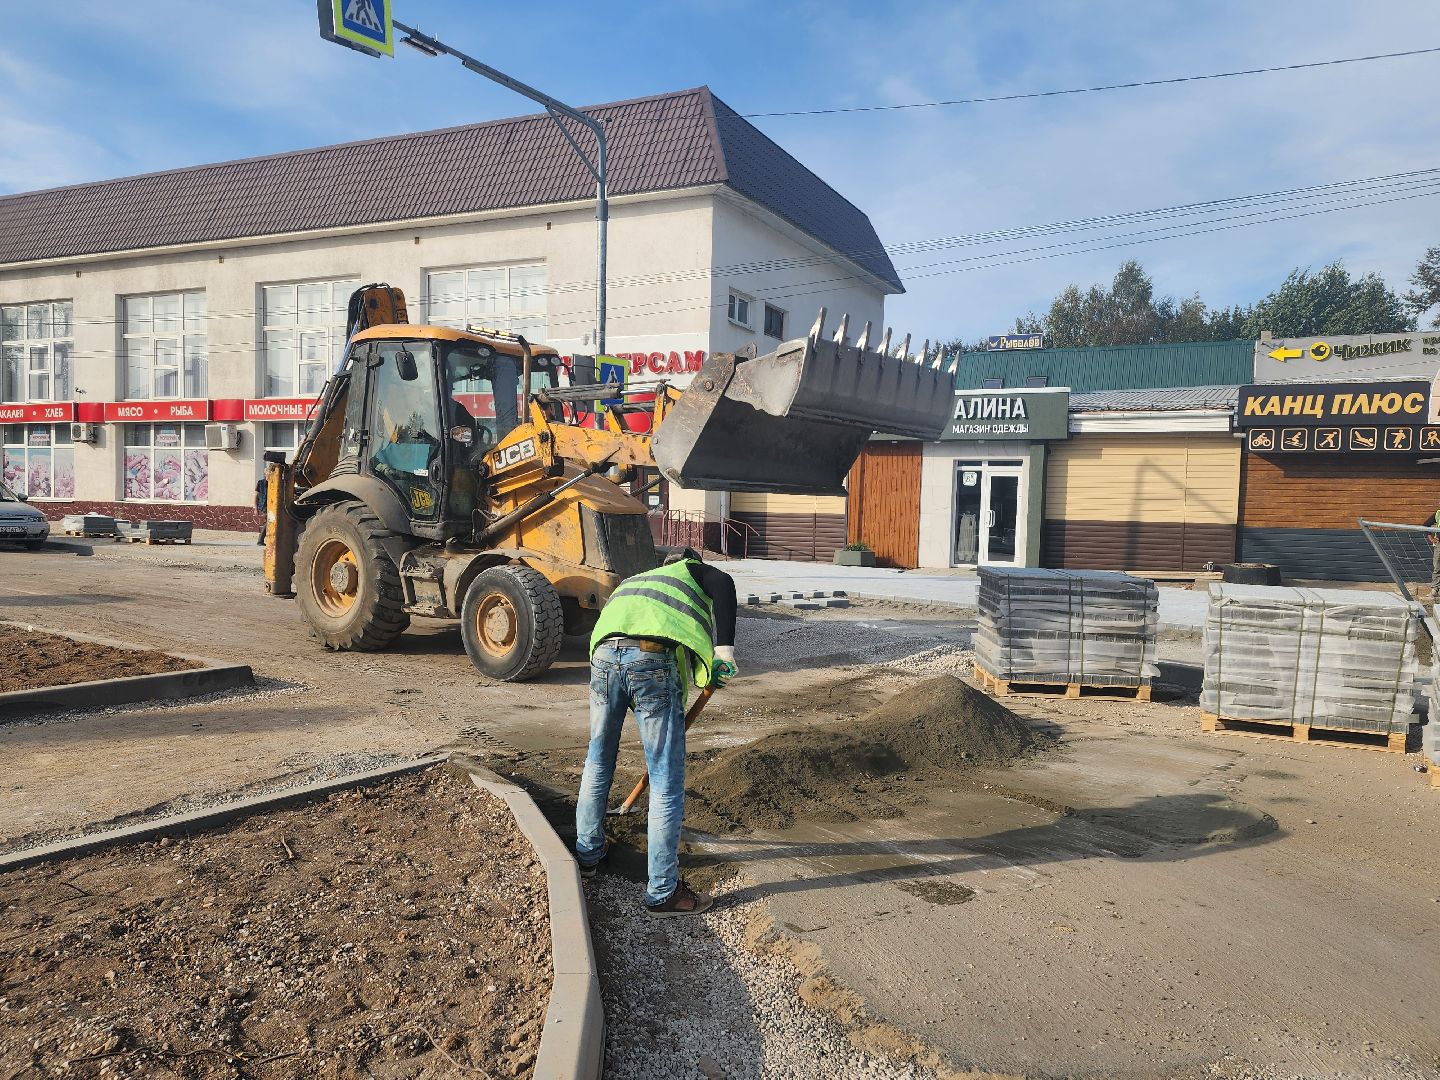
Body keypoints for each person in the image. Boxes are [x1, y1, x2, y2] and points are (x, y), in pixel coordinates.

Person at [575, 548, 738, 916]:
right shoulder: (692, 571)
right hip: (649, 656)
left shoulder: (637, 583)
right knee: (665, 779)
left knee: (598, 759)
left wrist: (704, 673)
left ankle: (587, 856)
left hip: (604, 656)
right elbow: (724, 583)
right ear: (692, 563)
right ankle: (664, 891)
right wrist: (723, 653)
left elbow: (675, 662)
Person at [255, 475, 268, 546]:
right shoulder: (260, 483)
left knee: (268, 522)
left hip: (272, 505)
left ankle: (261, 540)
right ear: (265, 474)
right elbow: (256, 496)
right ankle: (260, 540)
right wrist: (255, 508)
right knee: (269, 522)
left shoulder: (274, 482)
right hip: (264, 506)